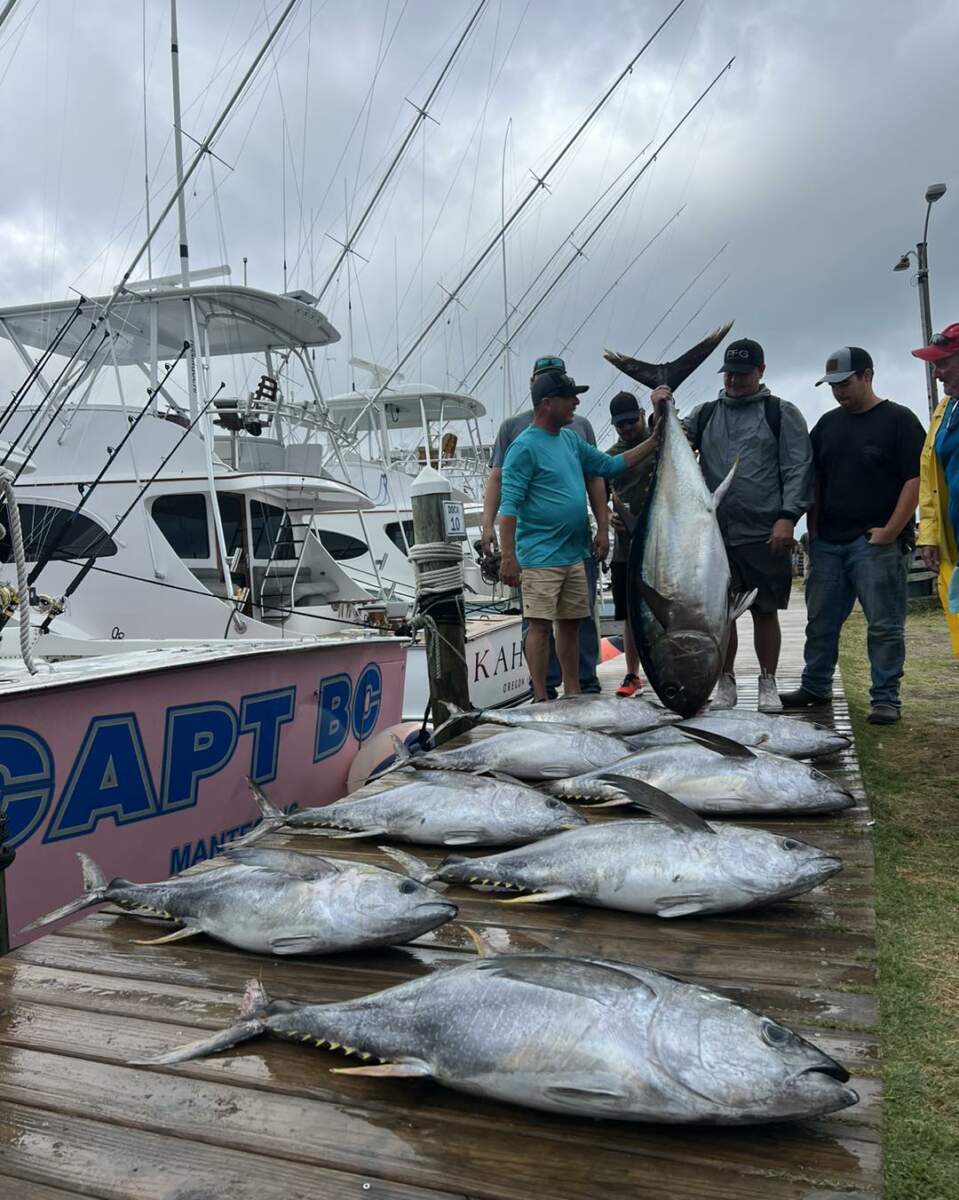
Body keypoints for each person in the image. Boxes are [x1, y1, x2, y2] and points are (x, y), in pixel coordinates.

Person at [780, 347, 926, 724]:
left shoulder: (900, 421)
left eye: (844, 383)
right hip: (828, 543)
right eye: (832, 386)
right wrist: (812, 532)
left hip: (876, 543)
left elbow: (916, 479)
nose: (838, 392)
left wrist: (891, 531)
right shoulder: (827, 425)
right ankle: (815, 686)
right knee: (821, 621)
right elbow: (814, 479)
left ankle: (886, 698)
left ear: (867, 376)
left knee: (884, 625)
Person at [498, 370, 659, 701]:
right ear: (547, 403)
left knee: (570, 624)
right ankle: (541, 695)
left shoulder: (571, 439)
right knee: (540, 626)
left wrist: (655, 442)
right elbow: (509, 508)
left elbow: (610, 466)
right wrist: (508, 558)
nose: (576, 401)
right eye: (569, 396)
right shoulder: (523, 448)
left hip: (574, 553)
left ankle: (573, 690)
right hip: (540, 556)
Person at [686, 338, 813, 712]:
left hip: (764, 532)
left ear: (761, 371)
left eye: (742, 374)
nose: (734, 381)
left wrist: (788, 517)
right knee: (721, 614)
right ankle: (725, 682)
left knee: (764, 610)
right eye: (729, 374)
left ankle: (768, 681)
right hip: (715, 536)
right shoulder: (704, 414)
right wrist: (662, 406)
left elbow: (797, 467)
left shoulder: (781, 412)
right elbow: (669, 438)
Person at [482, 355, 605, 695]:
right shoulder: (514, 428)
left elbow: (596, 476)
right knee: (536, 621)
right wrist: (488, 527)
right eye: (545, 377)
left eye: (557, 376)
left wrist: (604, 527)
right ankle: (544, 689)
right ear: (535, 387)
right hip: (535, 546)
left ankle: (582, 683)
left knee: (578, 617)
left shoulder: (579, 427)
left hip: (576, 543)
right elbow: (497, 479)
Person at [913, 325, 959, 656]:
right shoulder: (945, 410)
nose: (937, 373)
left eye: (944, 362)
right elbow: (930, 479)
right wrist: (928, 534)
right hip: (954, 543)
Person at [606, 391, 654, 696]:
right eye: (620, 424)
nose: (626, 429)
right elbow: (601, 495)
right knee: (629, 615)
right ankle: (632, 675)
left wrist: (662, 404)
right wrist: (609, 515)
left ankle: (673, 669)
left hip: (663, 547)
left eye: (631, 421)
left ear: (641, 413)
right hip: (627, 548)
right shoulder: (610, 457)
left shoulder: (662, 442)